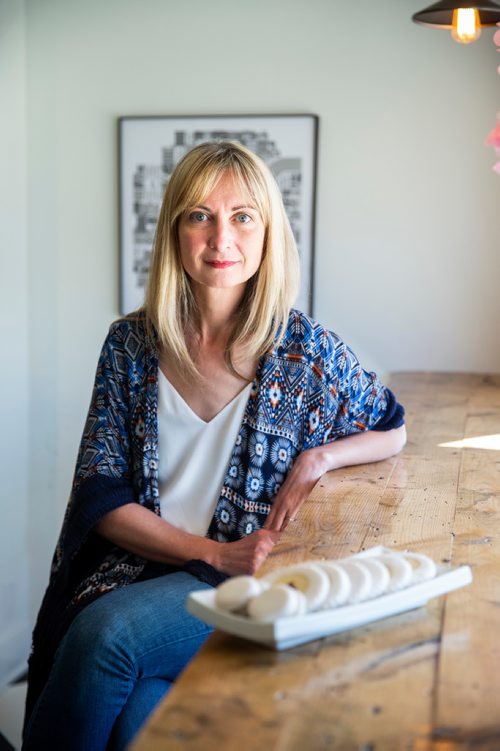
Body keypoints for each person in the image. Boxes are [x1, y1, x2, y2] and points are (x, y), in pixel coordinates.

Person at [22, 140, 406, 750]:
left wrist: (321, 456)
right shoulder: (130, 346)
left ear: (268, 232)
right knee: (136, 719)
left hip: (246, 590)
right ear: (176, 230)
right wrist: (209, 553)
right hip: (141, 572)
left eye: (242, 216)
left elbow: (391, 426)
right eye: (200, 215)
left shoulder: (304, 351)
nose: (220, 237)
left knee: (103, 639)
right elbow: (100, 493)